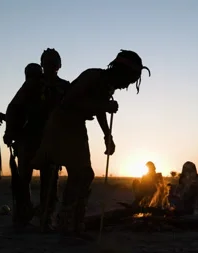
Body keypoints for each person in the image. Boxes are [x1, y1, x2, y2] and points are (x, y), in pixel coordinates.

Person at [32, 49, 151, 238]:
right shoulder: (93, 76)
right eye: (129, 80)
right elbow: (69, 103)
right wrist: (103, 106)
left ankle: (75, 223)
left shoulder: (106, 85)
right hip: (63, 125)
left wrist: (107, 135)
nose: (127, 85)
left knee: (84, 175)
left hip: (76, 127)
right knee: (81, 174)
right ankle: (67, 223)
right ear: (121, 72)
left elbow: (99, 111)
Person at [2, 49, 71, 229]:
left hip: (51, 140)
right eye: (46, 63)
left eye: (52, 63)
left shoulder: (64, 87)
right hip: (29, 138)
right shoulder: (32, 85)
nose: (50, 67)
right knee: (23, 181)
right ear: (42, 65)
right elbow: (15, 107)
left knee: (49, 182)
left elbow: (71, 111)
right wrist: (10, 131)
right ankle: (22, 216)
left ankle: (45, 218)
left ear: (59, 66)